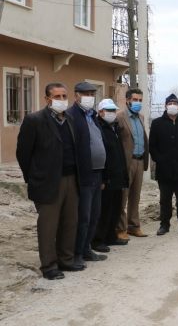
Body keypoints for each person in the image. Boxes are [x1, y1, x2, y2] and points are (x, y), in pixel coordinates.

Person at [17, 82, 83, 280]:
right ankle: (49, 266)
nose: (62, 100)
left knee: (70, 222)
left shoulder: (70, 119)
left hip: (71, 179)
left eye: (64, 96)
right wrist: (33, 177)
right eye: (57, 97)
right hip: (47, 182)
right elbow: (23, 154)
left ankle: (66, 259)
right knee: (48, 226)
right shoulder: (34, 120)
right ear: (47, 99)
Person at [67, 82, 107, 266]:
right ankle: (76, 254)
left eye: (92, 93)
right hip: (84, 174)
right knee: (82, 216)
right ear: (76, 96)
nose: (90, 96)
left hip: (98, 173)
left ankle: (86, 248)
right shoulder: (72, 116)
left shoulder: (93, 116)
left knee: (94, 214)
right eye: (86, 93)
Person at [149, 94, 178, 236]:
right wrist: (160, 159)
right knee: (165, 200)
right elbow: (152, 146)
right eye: (170, 103)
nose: (172, 105)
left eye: (175, 103)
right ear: (165, 105)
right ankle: (164, 224)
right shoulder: (157, 123)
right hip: (164, 169)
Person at [93, 99, 129, 254]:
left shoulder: (114, 127)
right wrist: (103, 177)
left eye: (113, 110)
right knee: (104, 210)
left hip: (117, 174)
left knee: (115, 208)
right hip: (107, 176)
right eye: (108, 111)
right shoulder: (98, 127)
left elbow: (119, 153)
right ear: (101, 112)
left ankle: (111, 236)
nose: (112, 113)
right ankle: (98, 239)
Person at [116, 88, 149, 242]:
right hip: (126, 163)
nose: (138, 103)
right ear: (127, 100)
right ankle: (120, 228)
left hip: (139, 161)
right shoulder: (120, 118)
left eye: (140, 100)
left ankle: (134, 226)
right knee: (122, 197)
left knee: (135, 197)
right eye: (135, 100)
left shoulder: (141, 117)